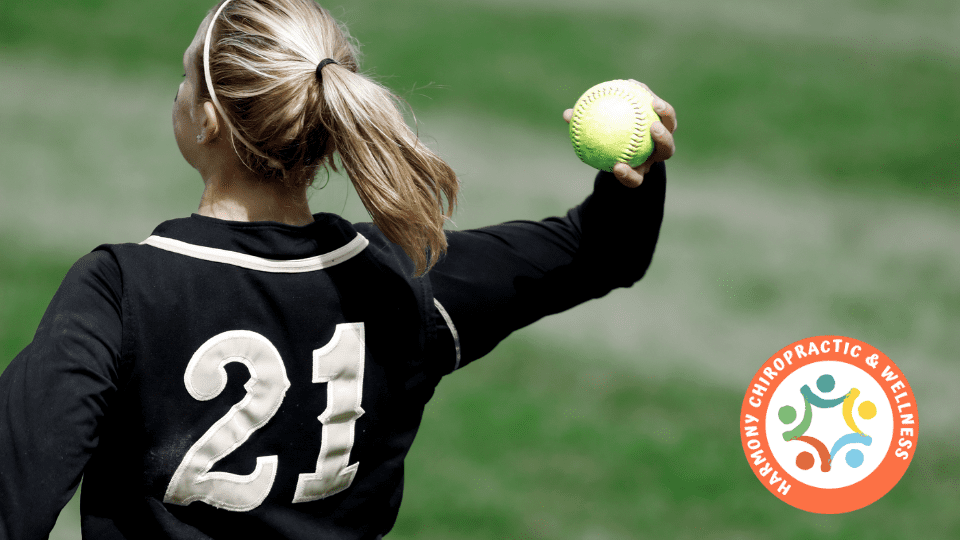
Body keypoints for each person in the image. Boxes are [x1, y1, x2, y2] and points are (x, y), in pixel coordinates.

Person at [0, 0, 677, 538]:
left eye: (185, 76)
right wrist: (635, 173)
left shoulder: (120, 293)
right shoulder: (402, 280)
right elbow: (598, 253)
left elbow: (13, 500)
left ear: (208, 120)